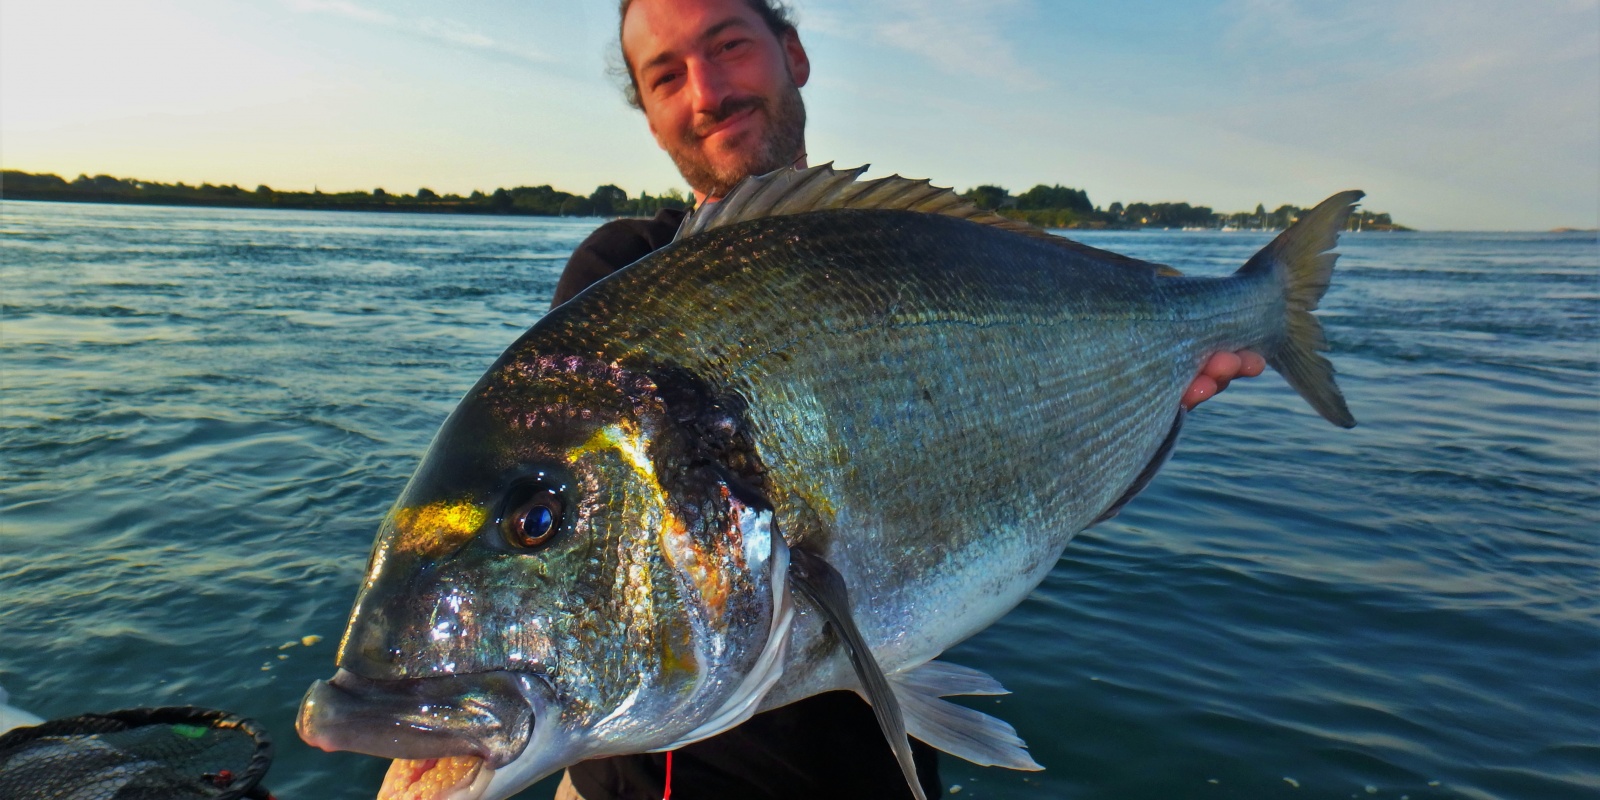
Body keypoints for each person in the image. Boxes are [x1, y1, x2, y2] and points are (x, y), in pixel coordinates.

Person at [552, 2, 1262, 797]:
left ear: (794, 53)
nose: (706, 90)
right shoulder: (620, 279)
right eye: (666, 75)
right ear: (650, 118)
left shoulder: (903, 246)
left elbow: (1011, 506)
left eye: (728, 46)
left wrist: (1117, 402)